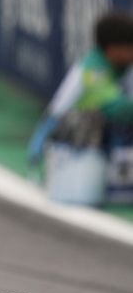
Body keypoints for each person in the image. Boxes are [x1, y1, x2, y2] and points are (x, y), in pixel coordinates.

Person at [28, 12, 133, 205]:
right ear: (114, 49)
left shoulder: (123, 66)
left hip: (95, 135)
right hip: (64, 137)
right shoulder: (93, 69)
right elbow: (117, 109)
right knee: (105, 120)